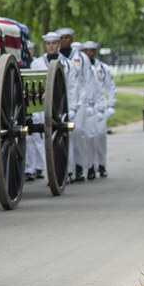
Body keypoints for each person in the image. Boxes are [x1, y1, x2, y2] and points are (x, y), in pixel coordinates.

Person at [25, 31, 67, 183]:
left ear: (58, 45)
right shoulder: (36, 64)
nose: (51, 46)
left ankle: (60, 172)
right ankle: (49, 171)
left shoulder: (66, 62)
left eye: (54, 43)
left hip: (59, 106)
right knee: (41, 141)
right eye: (48, 44)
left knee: (59, 141)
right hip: (41, 105)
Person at [57, 27, 90, 182]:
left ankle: (79, 166)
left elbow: (87, 81)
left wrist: (84, 102)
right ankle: (67, 169)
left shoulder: (81, 57)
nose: (64, 40)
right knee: (64, 136)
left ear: (71, 39)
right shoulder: (55, 58)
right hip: (62, 102)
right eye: (61, 38)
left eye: (67, 37)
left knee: (78, 133)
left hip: (80, 101)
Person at [82, 42, 115, 179]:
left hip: (100, 105)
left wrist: (111, 104)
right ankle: (90, 166)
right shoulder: (80, 67)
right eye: (86, 51)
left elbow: (110, 86)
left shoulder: (103, 68)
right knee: (89, 137)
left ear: (95, 52)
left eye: (91, 51)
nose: (89, 53)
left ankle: (102, 164)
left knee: (101, 135)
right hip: (86, 106)